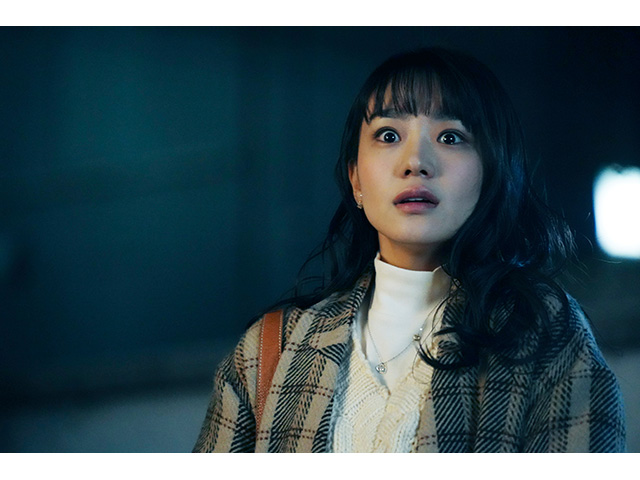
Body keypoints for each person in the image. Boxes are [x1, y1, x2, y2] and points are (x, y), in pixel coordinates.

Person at [193, 47, 626, 453]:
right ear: (356, 179)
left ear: (492, 171)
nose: (415, 161)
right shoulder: (268, 351)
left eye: (451, 137)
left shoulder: (547, 334)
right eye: (388, 135)